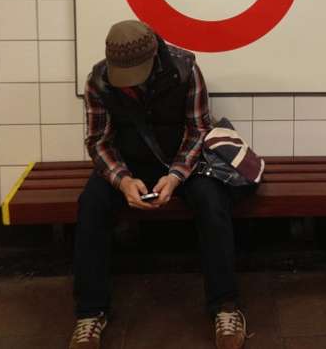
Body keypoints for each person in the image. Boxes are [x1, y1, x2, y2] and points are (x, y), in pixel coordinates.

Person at [69, 19, 251, 349]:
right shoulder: (99, 80)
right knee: (91, 205)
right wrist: (122, 180)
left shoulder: (186, 70)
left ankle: (225, 305)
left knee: (213, 203)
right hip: (128, 165)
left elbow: (198, 130)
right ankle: (90, 312)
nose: (128, 83)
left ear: (155, 56)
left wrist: (176, 175)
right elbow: (98, 141)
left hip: (182, 162)